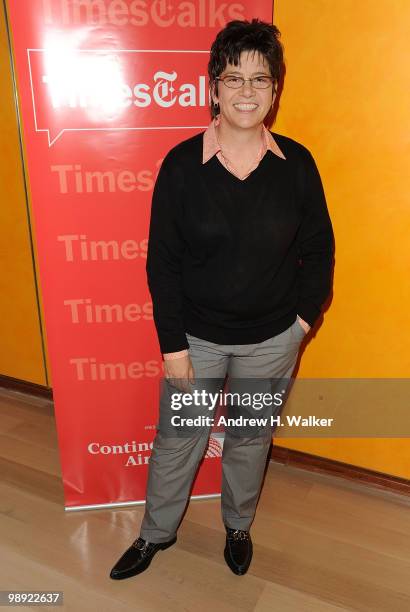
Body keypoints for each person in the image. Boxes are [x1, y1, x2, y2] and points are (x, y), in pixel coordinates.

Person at [110, 18, 334, 579]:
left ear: (275, 91)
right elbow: (161, 263)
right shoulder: (183, 166)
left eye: (260, 80)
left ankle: (238, 525)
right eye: (234, 78)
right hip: (199, 342)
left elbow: (320, 250)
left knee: (250, 436)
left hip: (272, 341)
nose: (247, 92)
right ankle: (154, 534)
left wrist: (301, 323)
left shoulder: (298, 165)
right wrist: (174, 348)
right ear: (214, 86)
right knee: (179, 440)